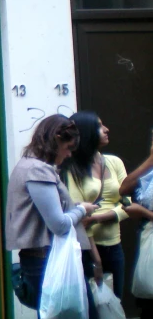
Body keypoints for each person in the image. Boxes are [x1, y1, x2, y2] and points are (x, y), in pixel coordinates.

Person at [5, 114, 98, 316]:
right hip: (48, 259)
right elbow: (59, 224)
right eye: (68, 148)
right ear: (56, 139)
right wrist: (82, 210)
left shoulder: (28, 166)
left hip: (43, 258)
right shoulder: (38, 171)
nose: (69, 155)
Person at [61, 111, 128, 298]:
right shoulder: (71, 168)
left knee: (114, 302)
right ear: (86, 132)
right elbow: (79, 214)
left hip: (115, 245)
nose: (106, 130)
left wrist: (101, 217)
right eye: (99, 126)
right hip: (86, 249)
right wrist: (96, 259)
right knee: (92, 307)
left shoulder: (114, 162)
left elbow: (129, 202)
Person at [119, 134, 153, 318]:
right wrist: (150, 161)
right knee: (147, 300)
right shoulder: (150, 172)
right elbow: (124, 189)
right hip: (149, 239)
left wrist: (144, 213)